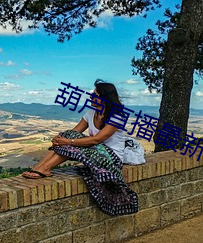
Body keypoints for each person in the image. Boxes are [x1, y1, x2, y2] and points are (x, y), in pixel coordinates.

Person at [22, 79, 138, 215]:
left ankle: (45, 168)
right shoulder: (90, 113)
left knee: (70, 141)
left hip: (111, 158)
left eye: (95, 94)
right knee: (68, 135)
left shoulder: (116, 117)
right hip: (95, 151)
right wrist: (60, 139)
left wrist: (68, 141)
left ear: (103, 98)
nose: (91, 97)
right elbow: (75, 132)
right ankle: (40, 167)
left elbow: (97, 139)